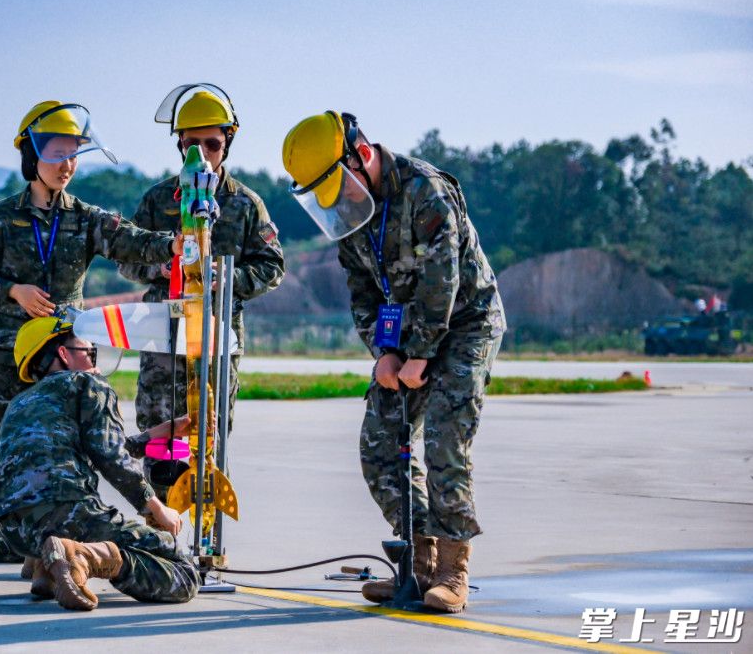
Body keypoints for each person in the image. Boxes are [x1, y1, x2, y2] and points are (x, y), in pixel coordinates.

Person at [0, 101, 183, 578]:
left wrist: (172, 245)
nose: (66, 165)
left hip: (61, 362)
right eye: (57, 154)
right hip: (5, 356)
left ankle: (42, 552)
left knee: (61, 450)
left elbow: (130, 240)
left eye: (74, 155)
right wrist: (11, 291)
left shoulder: (85, 218)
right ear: (31, 158)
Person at [281, 111, 506, 613]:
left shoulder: (425, 192)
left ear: (361, 156)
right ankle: (418, 565)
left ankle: (452, 570)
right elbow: (361, 289)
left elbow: (442, 281)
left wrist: (421, 354)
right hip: (404, 338)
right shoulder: (349, 209)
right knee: (380, 446)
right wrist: (383, 352)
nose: (333, 199)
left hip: (465, 323)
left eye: (335, 184)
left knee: (446, 438)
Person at [120, 83, 284, 499]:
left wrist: (225, 279)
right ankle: (162, 527)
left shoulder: (244, 204)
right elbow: (126, 258)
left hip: (217, 336)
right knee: (160, 433)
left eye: (212, 143)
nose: (202, 153)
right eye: (192, 143)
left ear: (226, 142)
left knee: (209, 431)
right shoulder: (159, 200)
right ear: (179, 144)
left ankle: (203, 531)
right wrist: (161, 264)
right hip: (163, 336)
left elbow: (272, 266)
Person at [0, 316, 200, 611]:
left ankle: (48, 566)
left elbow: (87, 448)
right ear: (63, 354)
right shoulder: (87, 384)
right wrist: (157, 509)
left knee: (63, 520)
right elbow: (109, 456)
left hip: (13, 528)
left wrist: (155, 434)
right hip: (65, 511)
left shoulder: (21, 402)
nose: (95, 357)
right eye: (87, 350)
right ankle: (84, 557)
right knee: (184, 571)